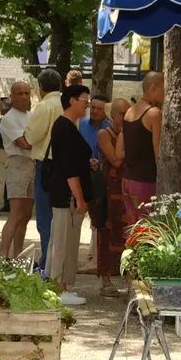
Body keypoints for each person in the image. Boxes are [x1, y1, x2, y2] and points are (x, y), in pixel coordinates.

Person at [45, 84, 93, 305]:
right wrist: (80, 197)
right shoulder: (64, 127)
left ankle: (62, 285)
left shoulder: (68, 126)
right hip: (66, 195)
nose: (87, 105)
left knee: (68, 239)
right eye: (85, 100)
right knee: (62, 241)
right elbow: (68, 168)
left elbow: (73, 162)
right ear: (72, 100)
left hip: (67, 192)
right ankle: (57, 288)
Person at [24, 68, 64, 270]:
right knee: (61, 217)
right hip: (65, 165)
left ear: (40, 87)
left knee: (45, 217)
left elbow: (31, 137)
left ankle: (47, 262)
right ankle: (57, 262)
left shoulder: (45, 106)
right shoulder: (67, 104)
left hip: (46, 165)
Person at [118, 72, 164, 225]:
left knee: (133, 227)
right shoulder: (154, 114)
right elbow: (157, 150)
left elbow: (122, 148)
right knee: (147, 229)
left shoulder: (129, 112)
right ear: (153, 88)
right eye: (164, 88)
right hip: (145, 180)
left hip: (127, 179)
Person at [95, 99, 131, 297]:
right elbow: (116, 160)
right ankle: (105, 279)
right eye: (121, 114)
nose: (125, 117)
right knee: (107, 233)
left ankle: (127, 276)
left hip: (126, 190)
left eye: (127, 113)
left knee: (126, 233)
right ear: (113, 115)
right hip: (109, 190)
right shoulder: (104, 134)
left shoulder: (127, 134)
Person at [0, 81, 33, 259]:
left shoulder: (32, 115)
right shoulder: (8, 118)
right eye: (20, 93)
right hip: (17, 165)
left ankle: (17, 255)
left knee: (26, 215)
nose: (24, 97)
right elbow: (24, 144)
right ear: (11, 97)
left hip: (32, 165)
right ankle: (3, 256)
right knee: (16, 213)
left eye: (26, 93)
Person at [78, 94, 110, 273]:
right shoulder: (81, 125)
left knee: (97, 215)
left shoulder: (109, 127)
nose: (95, 111)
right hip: (82, 174)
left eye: (99, 109)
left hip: (100, 176)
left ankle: (95, 257)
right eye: (93, 108)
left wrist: (99, 162)